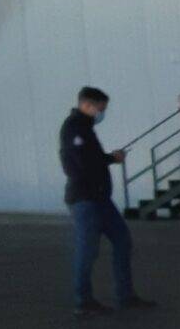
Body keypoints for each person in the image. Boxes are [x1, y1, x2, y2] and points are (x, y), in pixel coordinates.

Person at [60, 87, 151, 316]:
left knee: (122, 241)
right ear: (87, 105)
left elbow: (90, 159)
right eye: (100, 109)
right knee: (88, 251)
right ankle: (83, 301)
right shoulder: (74, 128)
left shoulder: (85, 128)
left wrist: (110, 158)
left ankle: (126, 295)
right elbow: (79, 165)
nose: (102, 113)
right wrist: (109, 159)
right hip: (85, 200)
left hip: (100, 199)